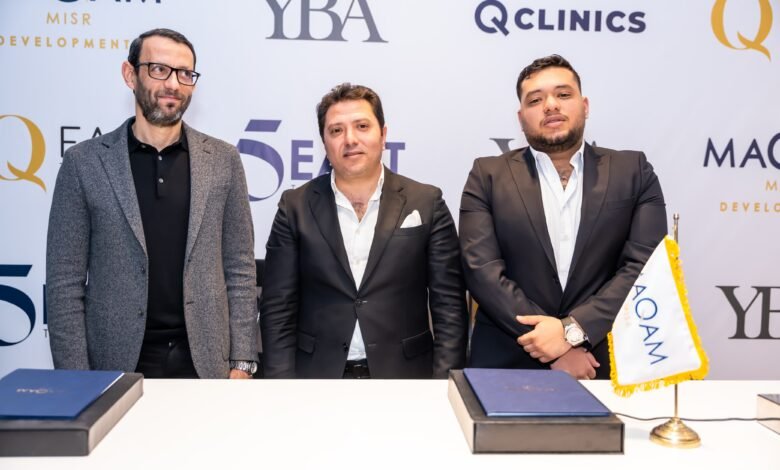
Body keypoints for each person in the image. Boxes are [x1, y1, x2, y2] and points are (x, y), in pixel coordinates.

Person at [46, 28, 258, 379]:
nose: (173, 84)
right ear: (130, 75)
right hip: (114, 364)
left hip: (207, 362)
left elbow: (240, 267)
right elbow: (64, 283)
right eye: (159, 69)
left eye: (185, 73)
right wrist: (75, 378)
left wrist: (243, 361)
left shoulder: (224, 160)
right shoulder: (83, 164)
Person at [459, 54, 667, 379]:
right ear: (521, 117)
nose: (551, 105)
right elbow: (482, 271)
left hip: (605, 361)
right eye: (535, 100)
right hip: (508, 362)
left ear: (584, 105)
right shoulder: (487, 176)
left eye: (563, 94)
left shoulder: (633, 172)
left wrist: (573, 331)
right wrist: (552, 345)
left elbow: (644, 266)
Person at [260, 83, 468, 379]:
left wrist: (442, 384)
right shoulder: (294, 206)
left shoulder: (426, 202)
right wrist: (281, 386)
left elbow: (449, 308)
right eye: (336, 130)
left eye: (362, 126)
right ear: (324, 142)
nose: (350, 139)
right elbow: (277, 309)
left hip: (406, 378)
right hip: (316, 379)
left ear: (383, 134)